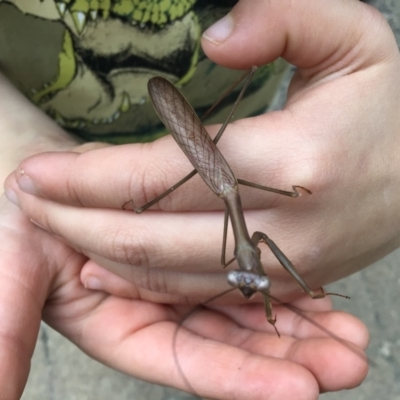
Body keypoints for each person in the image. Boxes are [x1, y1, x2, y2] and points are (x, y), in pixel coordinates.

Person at [2, 0, 400, 398]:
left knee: (205, 189)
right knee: (189, 183)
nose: (251, 261)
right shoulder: (244, 241)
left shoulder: (245, 243)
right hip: (167, 124)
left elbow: (249, 253)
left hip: (197, 140)